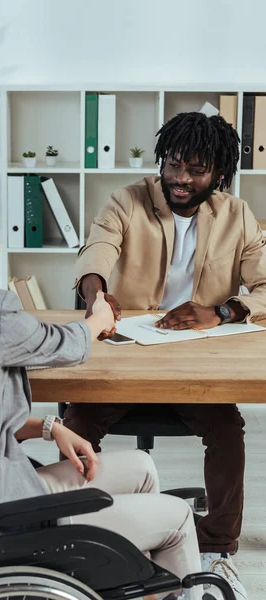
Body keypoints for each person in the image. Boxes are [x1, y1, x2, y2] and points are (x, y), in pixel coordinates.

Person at [0, 186, 203, 588]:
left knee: (143, 468)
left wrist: (50, 427)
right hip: (9, 520)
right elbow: (67, 344)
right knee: (179, 517)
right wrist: (97, 317)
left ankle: (133, 585)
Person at [64, 111, 266, 600]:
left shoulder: (236, 214)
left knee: (226, 431)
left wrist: (222, 310)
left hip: (191, 365)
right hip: (123, 357)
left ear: (217, 172)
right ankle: (69, 534)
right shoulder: (128, 199)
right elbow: (97, 249)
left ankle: (217, 547)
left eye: (196, 170)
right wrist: (96, 295)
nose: (180, 178)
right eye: (174, 164)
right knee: (76, 423)